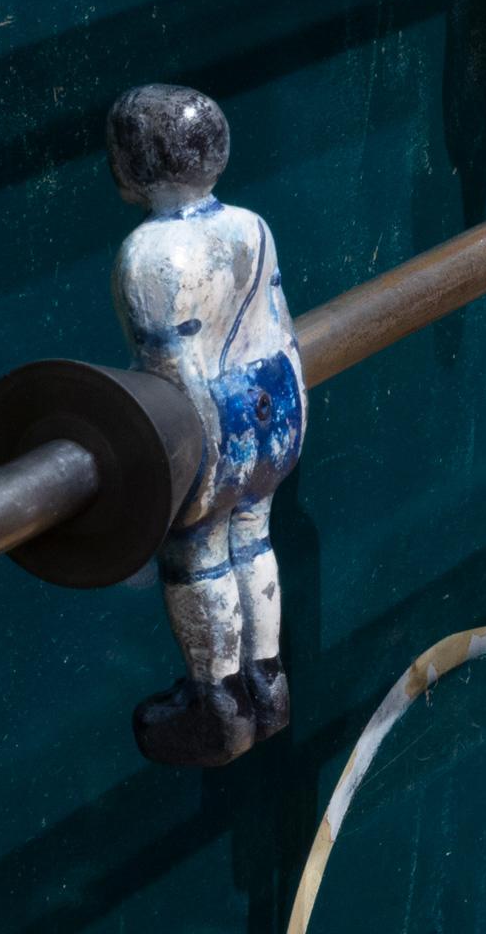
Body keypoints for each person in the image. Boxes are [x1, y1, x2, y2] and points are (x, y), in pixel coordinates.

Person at [109, 83, 304, 766]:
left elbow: (171, 371)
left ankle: (215, 698)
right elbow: (277, 329)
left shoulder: (149, 254)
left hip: (208, 418)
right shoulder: (250, 226)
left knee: (196, 552)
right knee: (253, 535)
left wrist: (188, 470)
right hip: (272, 402)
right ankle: (266, 680)